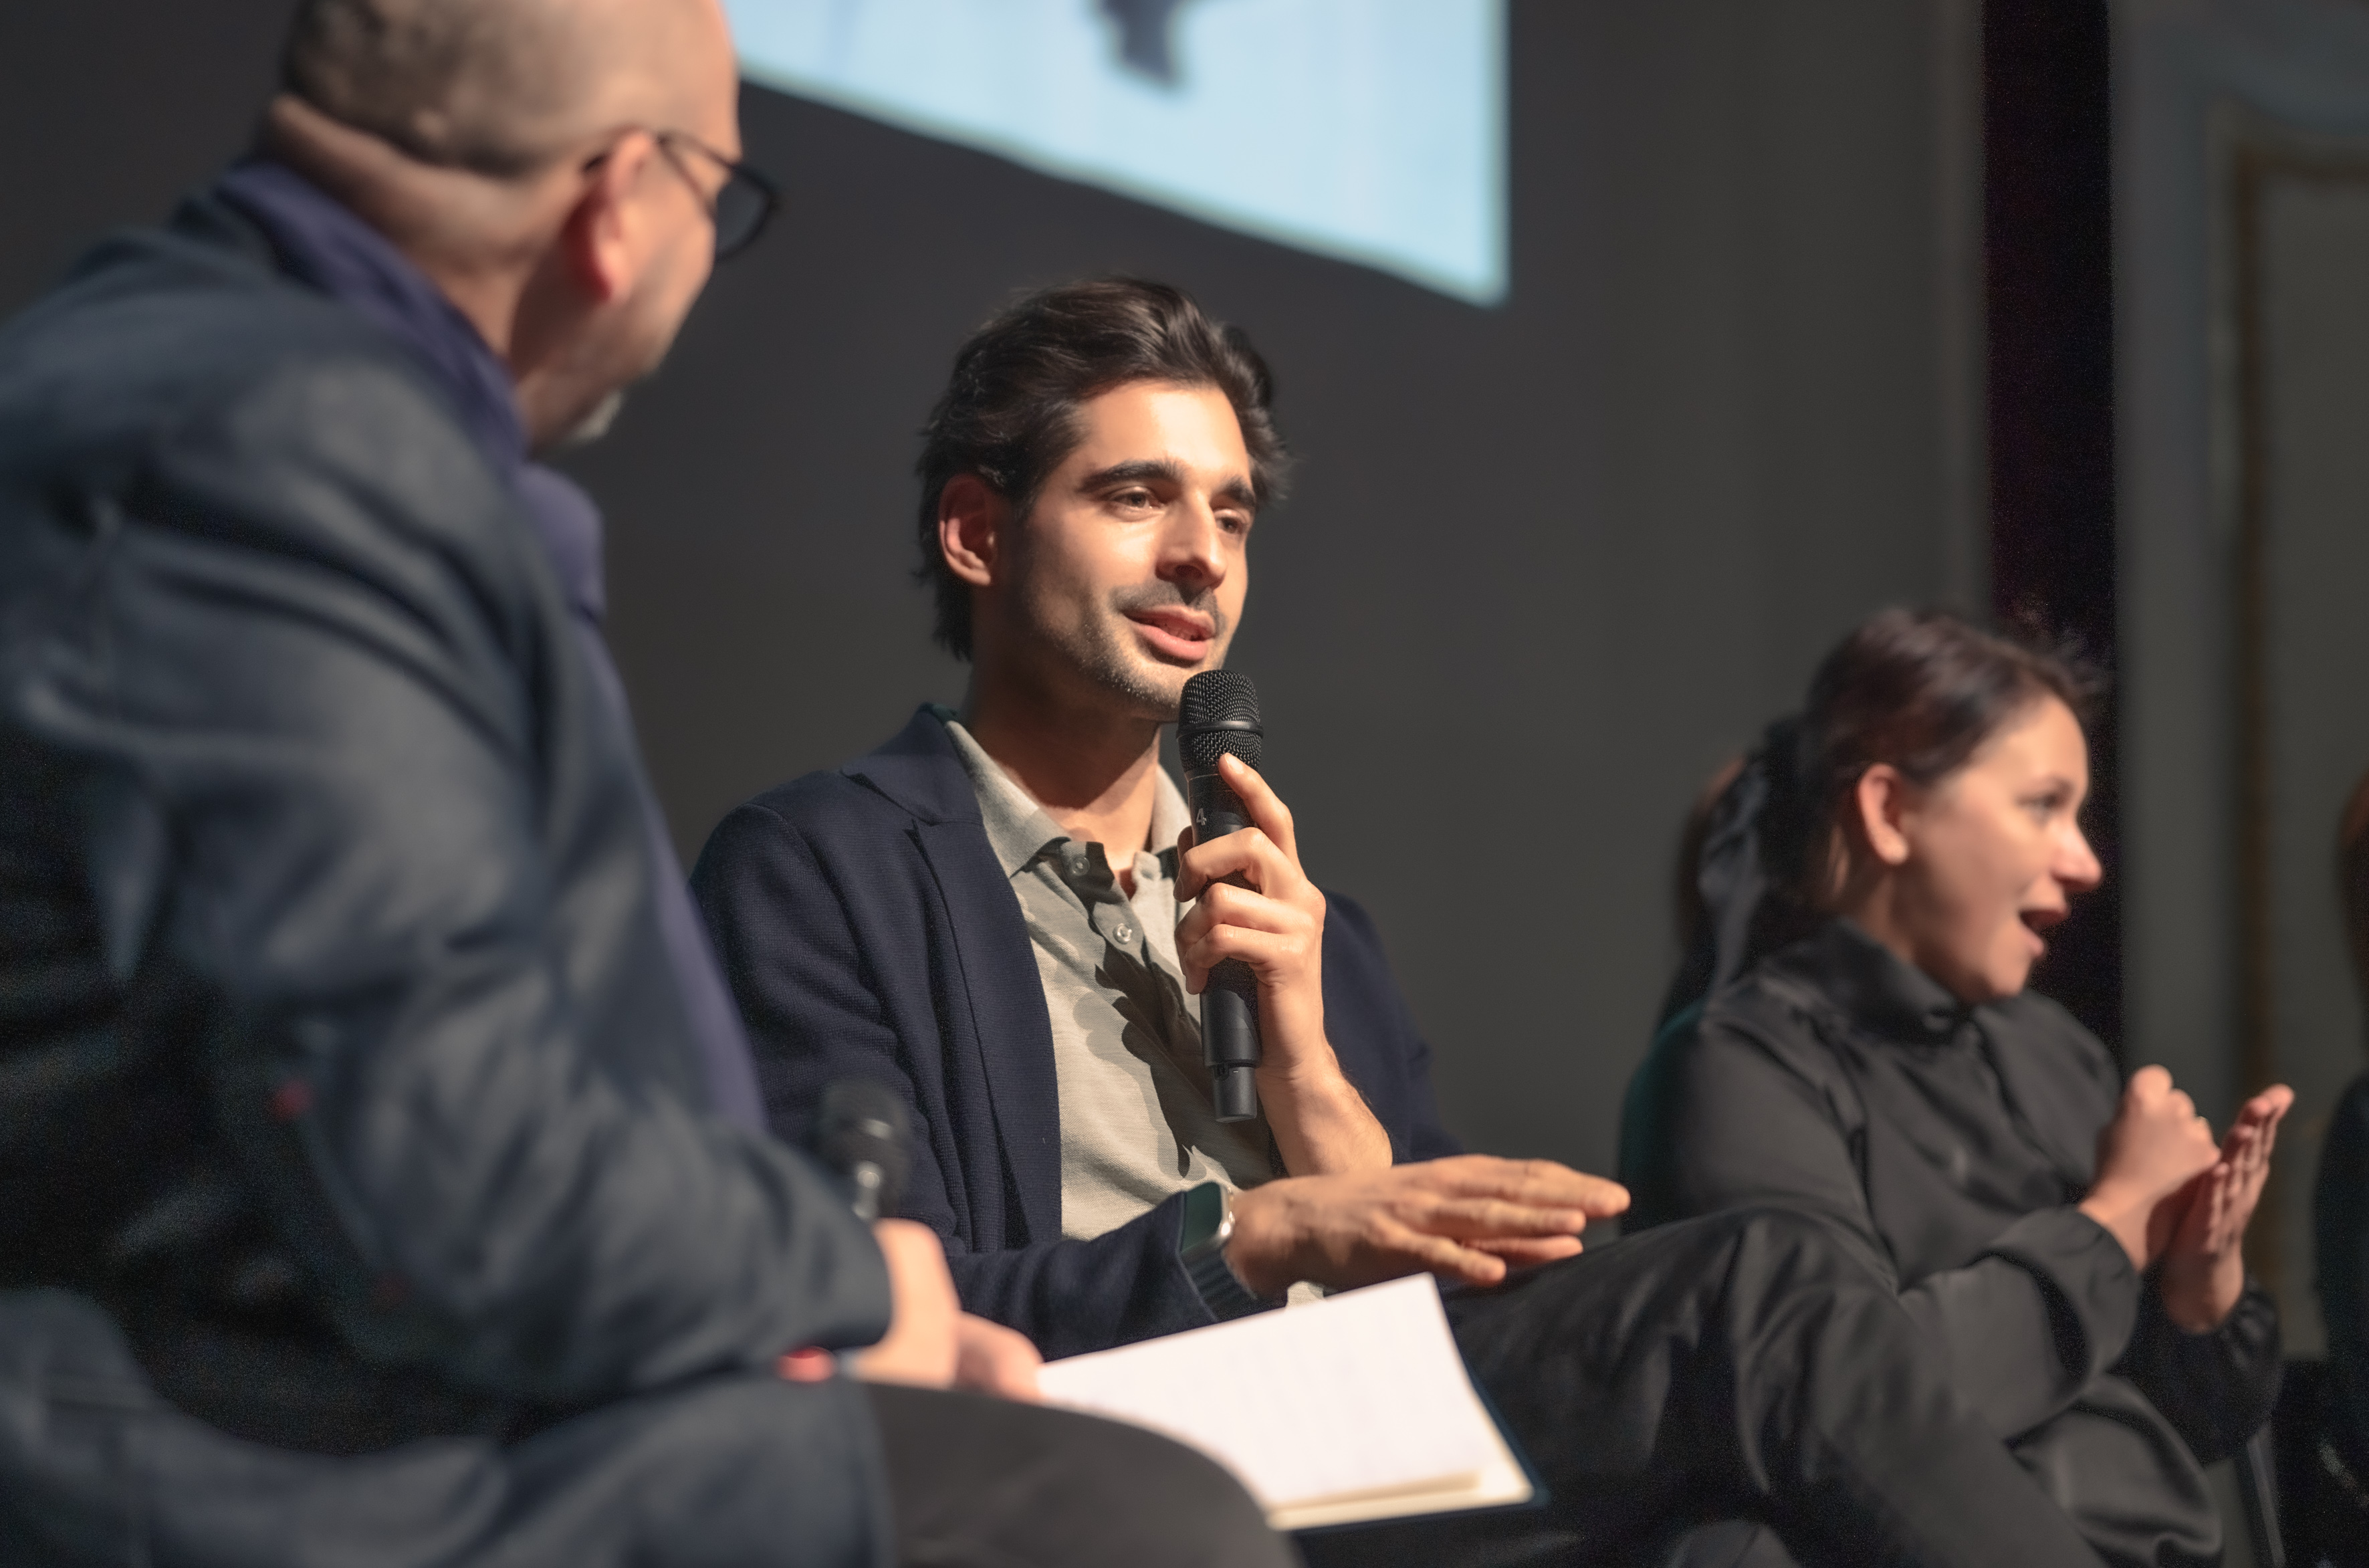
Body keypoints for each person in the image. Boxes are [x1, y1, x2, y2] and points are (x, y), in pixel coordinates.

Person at [0, 5, 1293, 1566]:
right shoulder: (275, 450)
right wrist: (848, 1291)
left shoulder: (233, 395)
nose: (1197, 556)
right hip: (279, 1459)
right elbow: (445, 1172)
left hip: (403, 1387)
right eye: (718, 206)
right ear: (618, 205)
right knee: (1129, 1525)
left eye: (1229, 512)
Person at [691, 276, 2188, 1567]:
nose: (1204, 554)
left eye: (1230, 510)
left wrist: (1309, 1076)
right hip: (1082, 1436)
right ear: (976, 535)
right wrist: (1256, 1236)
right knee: (1761, 1281)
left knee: (1737, 1527)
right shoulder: (824, 867)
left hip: (1354, 1446)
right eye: (1133, 495)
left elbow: (1415, 1277)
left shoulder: (1306, 924)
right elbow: (874, 1311)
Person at [1621, 608, 2292, 1568]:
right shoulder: (1736, 1068)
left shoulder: (2056, 1052)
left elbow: (2196, 1428)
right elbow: (1844, 1401)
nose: (2086, 860)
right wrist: (2109, 1227)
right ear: (1891, 810)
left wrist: (2196, 1284)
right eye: (2042, 805)